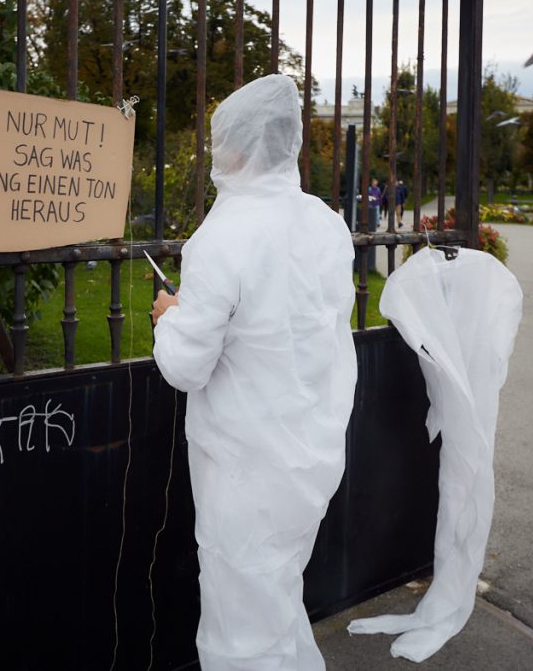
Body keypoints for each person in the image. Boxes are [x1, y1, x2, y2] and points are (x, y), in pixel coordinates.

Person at [150, 74, 357, 671]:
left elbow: (187, 367)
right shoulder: (324, 222)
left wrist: (170, 315)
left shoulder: (222, 236)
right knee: (277, 594)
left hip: (244, 467)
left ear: (236, 148)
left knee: (240, 623)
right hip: (311, 452)